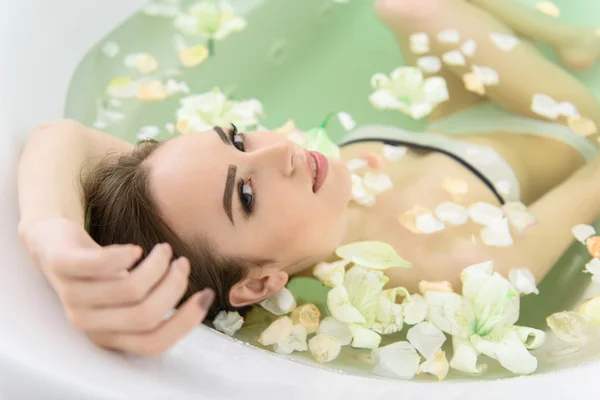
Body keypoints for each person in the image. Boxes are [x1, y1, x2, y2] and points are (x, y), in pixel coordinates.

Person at [17, 0, 600, 356]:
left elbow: (65, 137)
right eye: (245, 193)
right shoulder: (450, 265)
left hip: (459, 122)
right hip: (573, 131)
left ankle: (570, 40)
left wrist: (51, 233)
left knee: (408, 4)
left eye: (238, 139)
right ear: (257, 286)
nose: (281, 152)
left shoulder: (292, 202)